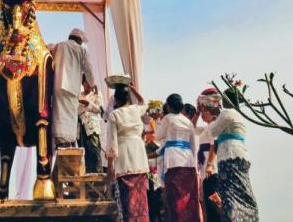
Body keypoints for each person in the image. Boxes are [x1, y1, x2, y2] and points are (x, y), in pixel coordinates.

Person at [209, 87, 259, 221]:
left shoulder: (227, 113)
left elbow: (213, 131)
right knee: (243, 192)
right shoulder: (238, 114)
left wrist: (214, 117)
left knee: (230, 194)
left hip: (229, 156)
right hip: (241, 155)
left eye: (224, 98)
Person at [106, 74, 149, 222]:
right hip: (139, 156)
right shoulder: (136, 110)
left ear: (116, 100)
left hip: (124, 158)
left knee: (127, 200)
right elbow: (144, 102)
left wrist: (110, 166)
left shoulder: (113, 115)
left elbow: (112, 142)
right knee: (141, 200)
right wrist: (134, 90)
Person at [156, 93, 201, 222]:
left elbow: (158, 136)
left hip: (173, 161)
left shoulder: (168, 118)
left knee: (175, 200)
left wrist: (160, 120)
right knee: (188, 200)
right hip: (189, 162)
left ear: (169, 106)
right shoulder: (188, 122)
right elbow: (193, 146)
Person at [52, 28, 96, 147]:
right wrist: (92, 84)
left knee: (59, 113)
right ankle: (67, 143)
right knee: (70, 116)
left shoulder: (59, 45)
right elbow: (89, 69)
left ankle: (61, 142)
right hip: (72, 87)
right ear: (78, 39)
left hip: (58, 84)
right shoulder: (82, 50)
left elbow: (48, 49)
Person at [194, 88, 221, 222]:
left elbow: (214, 146)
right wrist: (197, 112)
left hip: (213, 172)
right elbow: (191, 128)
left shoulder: (215, 126)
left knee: (215, 207)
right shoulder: (206, 128)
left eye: (206, 110)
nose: (204, 113)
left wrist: (210, 166)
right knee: (210, 211)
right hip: (206, 173)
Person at [78, 81, 104, 173]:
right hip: (81, 128)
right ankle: (88, 180)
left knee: (95, 151)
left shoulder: (97, 94)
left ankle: (98, 179)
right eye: (86, 82)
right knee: (84, 154)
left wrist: (88, 103)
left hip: (93, 128)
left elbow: (99, 109)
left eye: (90, 82)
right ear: (83, 83)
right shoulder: (79, 95)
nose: (88, 84)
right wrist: (88, 106)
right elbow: (77, 110)